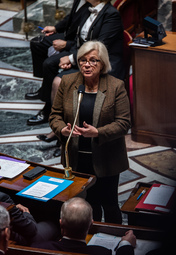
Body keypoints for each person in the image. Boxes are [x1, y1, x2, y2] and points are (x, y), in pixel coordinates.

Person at [49, 41, 131, 224]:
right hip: (77, 157)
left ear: (102, 63)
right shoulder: (68, 82)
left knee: (109, 204)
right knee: (88, 203)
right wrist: (61, 129)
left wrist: (98, 132)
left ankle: (113, 241)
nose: (87, 64)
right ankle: (90, 241)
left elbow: (124, 123)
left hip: (106, 158)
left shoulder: (116, 86)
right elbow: (55, 115)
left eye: (93, 60)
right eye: (83, 60)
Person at [26, 0, 91, 126]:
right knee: (37, 43)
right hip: (71, 37)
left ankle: (47, 109)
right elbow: (71, 18)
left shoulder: (95, 8)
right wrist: (56, 28)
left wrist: (66, 44)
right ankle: (45, 88)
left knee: (49, 64)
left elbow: (89, 40)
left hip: (77, 45)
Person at [32, 197, 136, 255]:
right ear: (91, 224)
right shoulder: (101, 253)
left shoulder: (39, 248)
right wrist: (126, 244)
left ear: (61, 223)